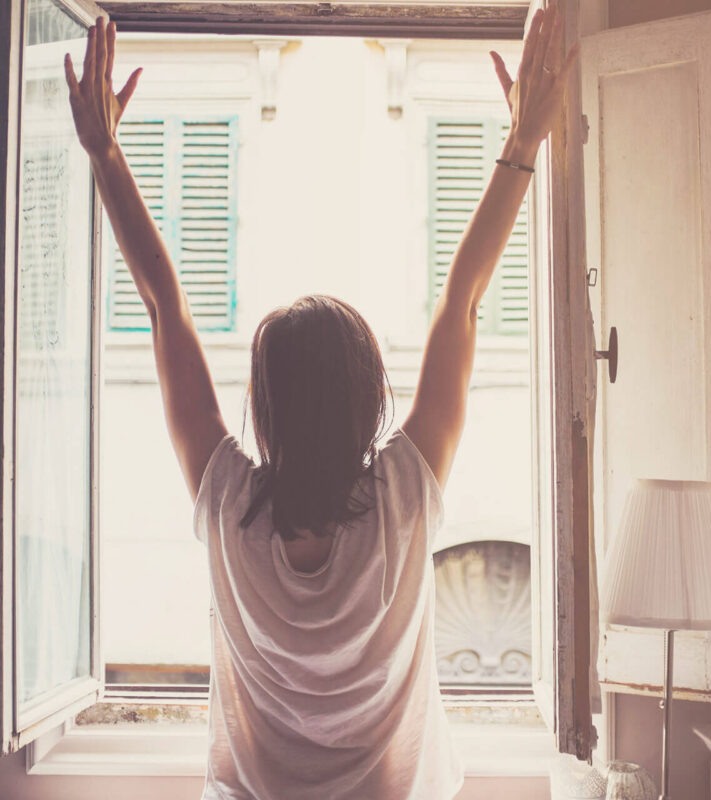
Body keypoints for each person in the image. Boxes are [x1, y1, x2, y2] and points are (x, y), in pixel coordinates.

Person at [65, 8, 578, 799]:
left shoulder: (228, 502)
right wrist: (520, 144)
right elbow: (464, 303)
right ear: (370, 400)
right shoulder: (405, 499)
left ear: (263, 408)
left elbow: (165, 303)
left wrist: (104, 152)